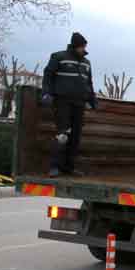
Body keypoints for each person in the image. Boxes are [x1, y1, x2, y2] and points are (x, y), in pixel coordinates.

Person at [42, 32, 97, 177]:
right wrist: (46, 93)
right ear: (75, 46)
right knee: (62, 135)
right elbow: (48, 75)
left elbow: (89, 83)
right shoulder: (59, 57)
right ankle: (54, 167)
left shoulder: (86, 63)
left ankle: (69, 167)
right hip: (62, 102)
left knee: (75, 137)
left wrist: (92, 100)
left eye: (84, 46)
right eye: (81, 46)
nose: (83, 49)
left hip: (79, 103)